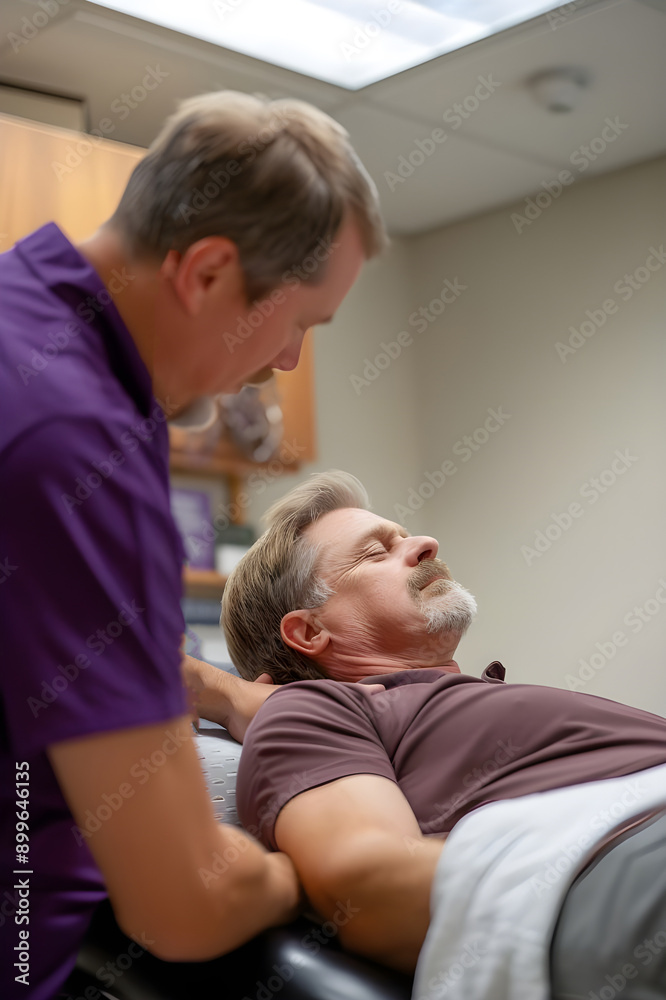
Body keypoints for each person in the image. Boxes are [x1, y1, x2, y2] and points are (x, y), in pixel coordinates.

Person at [0, 93, 386, 1000]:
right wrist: (311, 879)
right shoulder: (77, 442)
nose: (289, 363)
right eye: (300, 323)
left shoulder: (22, 314)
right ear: (209, 271)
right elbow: (186, 904)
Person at [210, 469, 666, 992]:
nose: (426, 544)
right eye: (376, 553)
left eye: (405, 536)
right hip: (624, 857)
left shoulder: (465, 702)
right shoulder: (313, 709)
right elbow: (368, 884)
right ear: (310, 630)